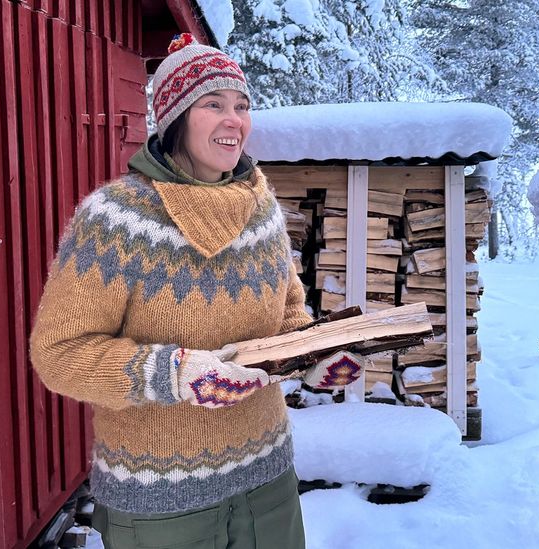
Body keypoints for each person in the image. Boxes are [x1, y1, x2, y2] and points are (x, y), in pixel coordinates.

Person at [29, 34, 363, 549]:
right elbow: (58, 354)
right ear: (176, 118)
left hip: (266, 480)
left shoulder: (261, 209)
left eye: (242, 105)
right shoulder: (117, 220)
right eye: (213, 104)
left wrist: (314, 356)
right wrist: (175, 374)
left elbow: (288, 314)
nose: (235, 120)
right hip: (161, 499)